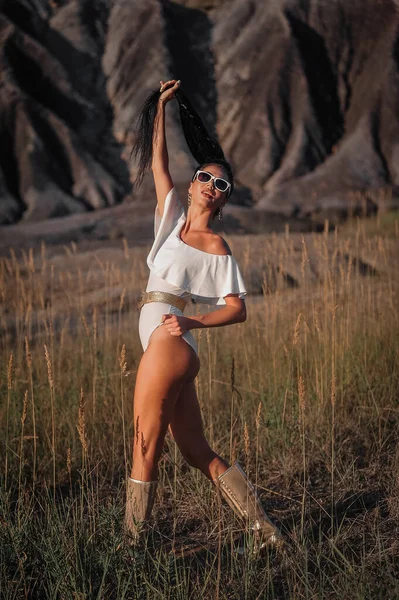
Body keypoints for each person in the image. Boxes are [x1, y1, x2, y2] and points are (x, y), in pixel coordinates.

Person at [124, 79, 283, 553]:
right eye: (205, 178)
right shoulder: (171, 216)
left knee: (144, 447)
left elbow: (237, 309)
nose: (211, 187)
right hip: (169, 344)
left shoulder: (217, 246)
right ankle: (266, 532)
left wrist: (192, 323)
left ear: (225, 199)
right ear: (192, 184)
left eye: (222, 185)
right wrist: (160, 107)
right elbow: (159, 164)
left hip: (171, 342)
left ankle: (131, 549)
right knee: (197, 452)